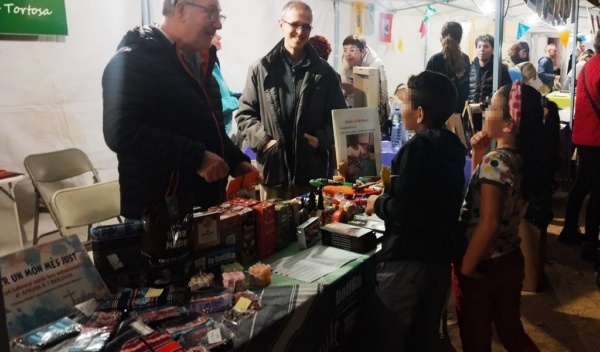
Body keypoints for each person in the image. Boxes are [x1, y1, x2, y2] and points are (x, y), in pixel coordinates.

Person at [103, 0, 257, 219]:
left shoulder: (203, 64)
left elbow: (211, 129)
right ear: (182, 9)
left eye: (219, 15)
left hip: (204, 207)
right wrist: (197, 158)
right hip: (159, 215)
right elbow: (121, 132)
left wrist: (236, 161)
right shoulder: (133, 61)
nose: (218, 25)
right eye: (211, 13)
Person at [365, 71, 468, 352]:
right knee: (423, 337)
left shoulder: (418, 147)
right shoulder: (452, 146)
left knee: (391, 336)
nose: (400, 108)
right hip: (437, 258)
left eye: (405, 104)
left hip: (407, 260)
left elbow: (404, 209)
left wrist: (378, 204)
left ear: (420, 113)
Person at [454, 81, 559, 352]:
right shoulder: (517, 159)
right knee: (511, 331)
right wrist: (479, 153)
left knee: (475, 338)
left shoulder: (496, 162)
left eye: (491, 107)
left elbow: (487, 223)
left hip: (483, 264)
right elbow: (485, 200)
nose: (485, 111)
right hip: (510, 258)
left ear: (509, 125)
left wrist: (465, 267)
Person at [236, 1, 346, 200]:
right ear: (281, 25)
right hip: (274, 172)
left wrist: (320, 139)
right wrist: (264, 141)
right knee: (274, 229)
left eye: (306, 26)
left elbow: (340, 117)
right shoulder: (261, 69)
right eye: (295, 24)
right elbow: (245, 114)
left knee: (313, 228)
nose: (300, 31)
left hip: (312, 176)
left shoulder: (325, 73)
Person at [559, 32, 600, 259]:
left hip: (584, 136)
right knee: (597, 191)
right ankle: (591, 242)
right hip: (596, 138)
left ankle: (569, 228)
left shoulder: (589, 64)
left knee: (582, 184)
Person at [469, 34, 511, 132]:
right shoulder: (470, 68)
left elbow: (505, 94)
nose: (482, 49)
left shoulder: (500, 70)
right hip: (470, 118)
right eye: (479, 46)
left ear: (492, 49)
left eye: (486, 46)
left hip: (491, 117)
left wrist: (482, 105)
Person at [426, 21, 471, 114]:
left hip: (437, 114)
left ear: (441, 39)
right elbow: (467, 89)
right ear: (460, 39)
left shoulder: (435, 60)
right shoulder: (465, 59)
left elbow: (425, 90)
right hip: (460, 113)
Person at [339, 34, 388, 112]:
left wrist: (356, 90)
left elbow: (384, 96)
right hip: (351, 113)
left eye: (352, 50)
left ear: (363, 51)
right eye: (345, 50)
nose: (347, 54)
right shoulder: (344, 62)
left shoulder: (376, 64)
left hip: (373, 113)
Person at [210, 33, 240, 135]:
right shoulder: (203, 68)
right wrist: (238, 101)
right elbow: (214, 105)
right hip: (214, 136)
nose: (219, 37)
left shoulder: (213, 64)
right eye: (214, 34)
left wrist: (237, 95)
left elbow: (223, 92)